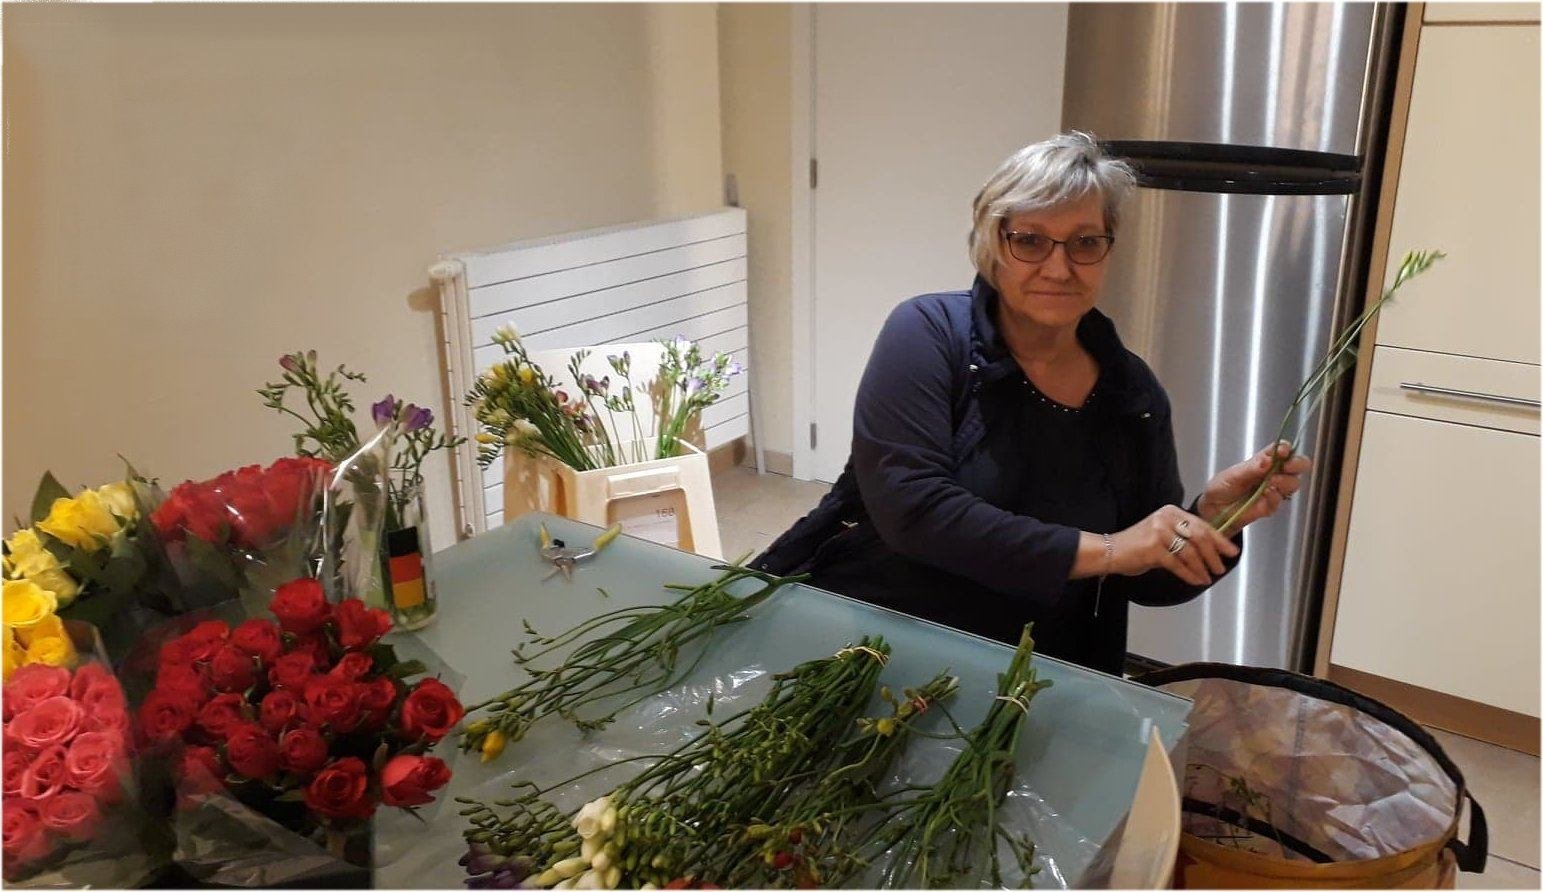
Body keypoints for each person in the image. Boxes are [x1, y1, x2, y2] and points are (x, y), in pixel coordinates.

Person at [752, 132, 1312, 676]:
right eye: (1030, 240)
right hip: (888, 652)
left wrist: (1213, 518)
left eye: (1085, 243)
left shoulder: (1132, 393)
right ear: (992, 244)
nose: (1059, 268)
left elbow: (1144, 581)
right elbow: (915, 511)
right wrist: (1111, 549)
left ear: (1108, 249)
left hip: (1042, 680)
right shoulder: (927, 332)